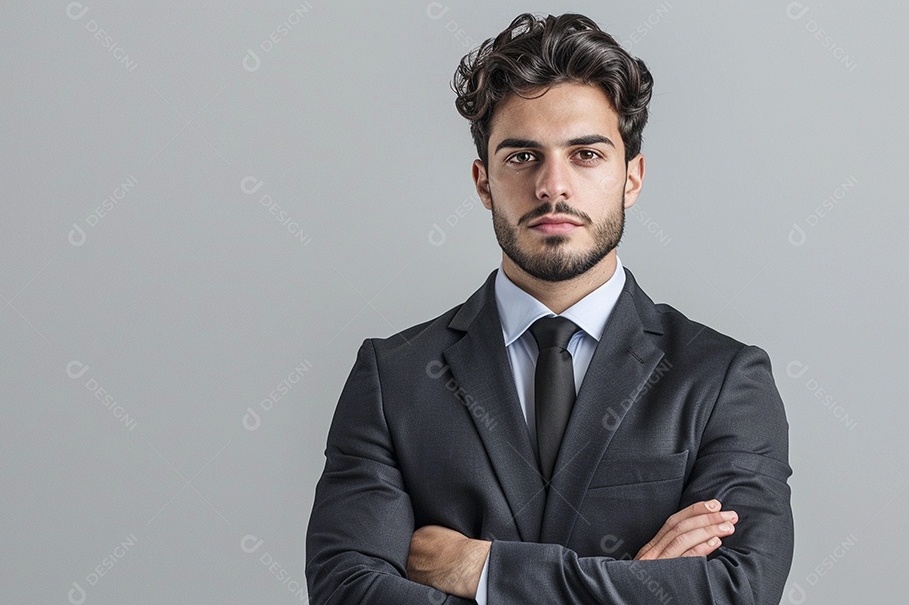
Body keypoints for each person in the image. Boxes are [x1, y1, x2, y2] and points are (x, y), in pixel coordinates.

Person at [305, 11, 792, 605]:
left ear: (631, 177)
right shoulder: (393, 377)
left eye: (585, 155)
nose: (552, 186)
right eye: (521, 157)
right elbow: (347, 592)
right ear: (483, 182)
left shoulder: (722, 379)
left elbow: (737, 590)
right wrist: (636, 584)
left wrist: (484, 572)